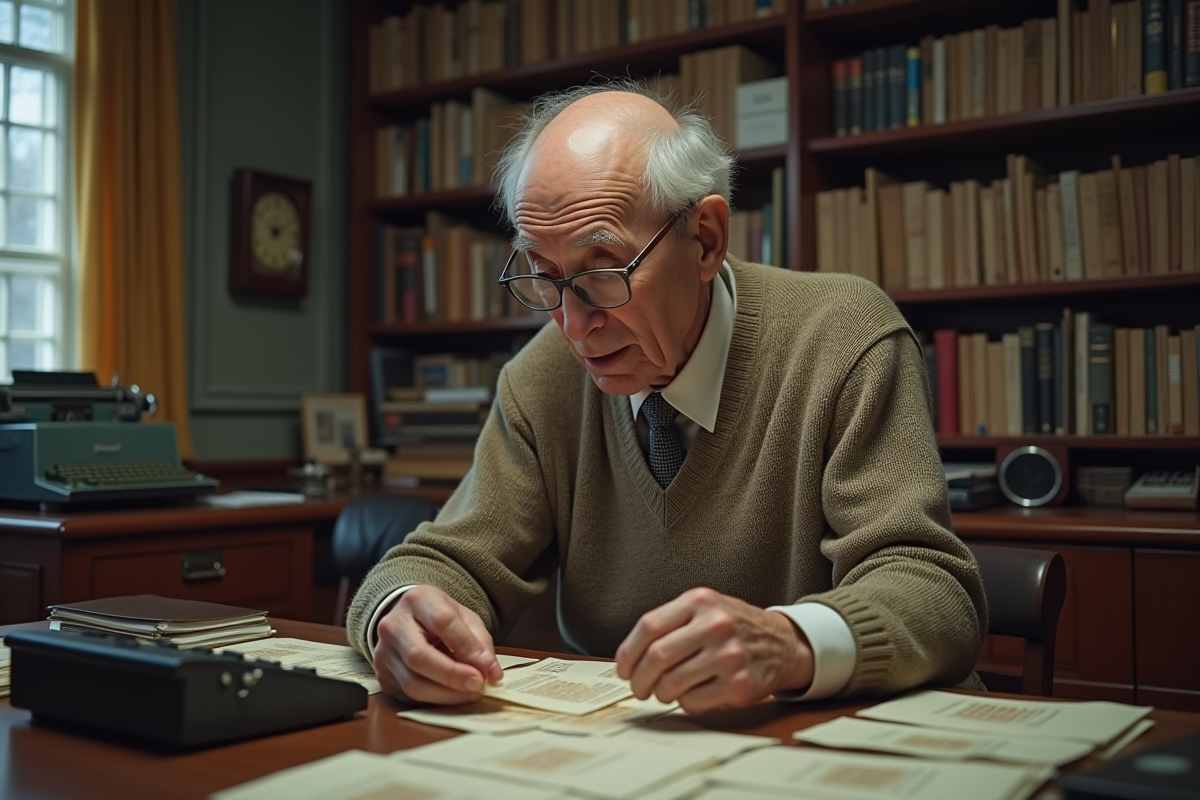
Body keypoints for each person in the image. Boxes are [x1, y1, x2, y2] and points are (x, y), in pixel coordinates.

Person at [347, 79, 987, 713]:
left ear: (705, 238)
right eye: (543, 277)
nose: (574, 327)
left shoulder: (844, 338)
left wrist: (792, 643)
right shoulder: (540, 379)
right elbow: (446, 558)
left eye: (602, 272)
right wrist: (396, 614)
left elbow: (932, 586)